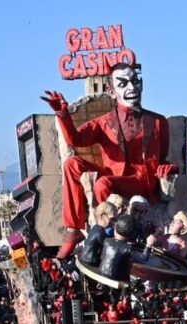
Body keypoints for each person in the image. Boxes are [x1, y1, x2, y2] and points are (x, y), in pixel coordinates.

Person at [41, 62, 177, 258]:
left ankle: (106, 233)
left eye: (135, 81)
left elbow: (163, 157)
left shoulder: (158, 122)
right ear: (111, 90)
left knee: (103, 183)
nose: (132, 88)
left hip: (141, 181)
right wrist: (62, 113)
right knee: (71, 164)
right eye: (123, 84)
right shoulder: (105, 122)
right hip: (114, 176)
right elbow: (75, 140)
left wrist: (170, 167)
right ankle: (74, 230)